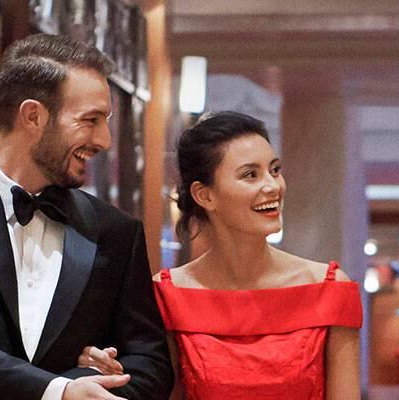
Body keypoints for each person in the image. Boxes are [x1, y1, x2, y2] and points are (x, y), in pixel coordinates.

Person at [0, 34, 172, 400]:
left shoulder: (117, 232)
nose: (104, 140)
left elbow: (151, 363)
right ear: (33, 116)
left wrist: (103, 386)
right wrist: (63, 389)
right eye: (91, 120)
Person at [122, 111, 361, 399]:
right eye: (251, 175)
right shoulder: (168, 295)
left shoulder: (329, 288)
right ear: (204, 195)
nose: (273, 186)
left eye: (274, 170)